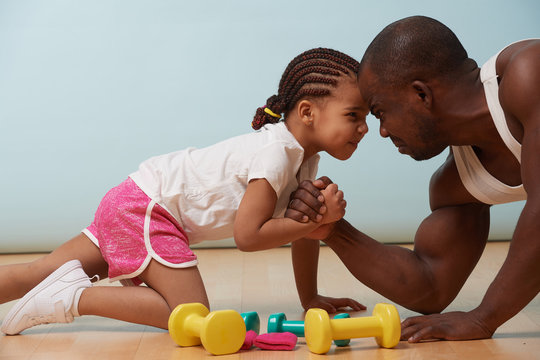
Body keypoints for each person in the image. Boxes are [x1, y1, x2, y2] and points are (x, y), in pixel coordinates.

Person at [0, 48, 368, 335]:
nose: (364, 128)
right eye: (354, 115)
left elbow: (300, 232)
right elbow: (248, 235)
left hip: (134, 198)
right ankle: (75, 298)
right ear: (307, 112)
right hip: (148, 211)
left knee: (41, 270)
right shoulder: (275, 155)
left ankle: (61, 288)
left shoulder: (300, 159)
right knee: (191, 315)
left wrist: (310, 298)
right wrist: (318, 222)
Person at [287, 16, 540, 342]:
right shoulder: (458, 184)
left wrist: (483, 318)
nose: (382, 131)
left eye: (380, 112)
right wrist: (334, 231)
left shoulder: (527, 75)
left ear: (421, 94)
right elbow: (431, 288)